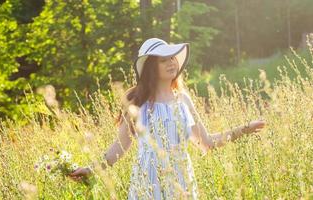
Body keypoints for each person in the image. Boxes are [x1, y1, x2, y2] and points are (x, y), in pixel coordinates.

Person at [69, 38, 266, 199]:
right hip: (147, 182)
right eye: (164, 60)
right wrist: (91, 169)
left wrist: (245, 129)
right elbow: (119, 147)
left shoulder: (183, 100)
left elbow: (207, 143)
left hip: (181, 182)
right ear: (151, 68)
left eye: (172, 58)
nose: (172, 62)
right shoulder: (137, 103)